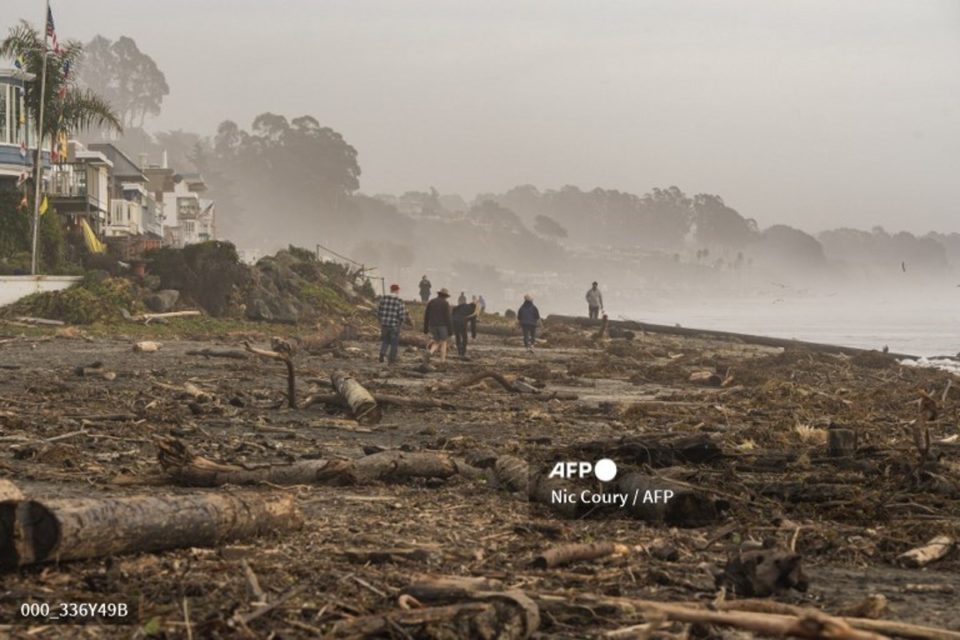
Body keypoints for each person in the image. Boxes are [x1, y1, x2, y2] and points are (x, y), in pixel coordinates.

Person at [376, 284, 412, 364]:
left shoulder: (383, 298)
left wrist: (380, 320)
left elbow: (378, 311)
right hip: (394, 325)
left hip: (384, 324)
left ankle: (382, 354)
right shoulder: (399, 300)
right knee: (394, 343)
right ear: (396, 290)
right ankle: (391, 360)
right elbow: (402, 314)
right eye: (398, 290)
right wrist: (402, 322)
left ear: (390, 289)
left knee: (385, 340)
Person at [423, 287, 453, 362]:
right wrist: (450, 330)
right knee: (443, 343)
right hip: (442, 326)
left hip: (432, 325)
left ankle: (430, 352)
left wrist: (425, 328)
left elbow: (426, 315)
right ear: (445, 296)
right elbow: (448, 318)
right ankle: (442, 361)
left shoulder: (431, 302)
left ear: (439, 294)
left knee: (436, 341)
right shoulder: (445, 303)